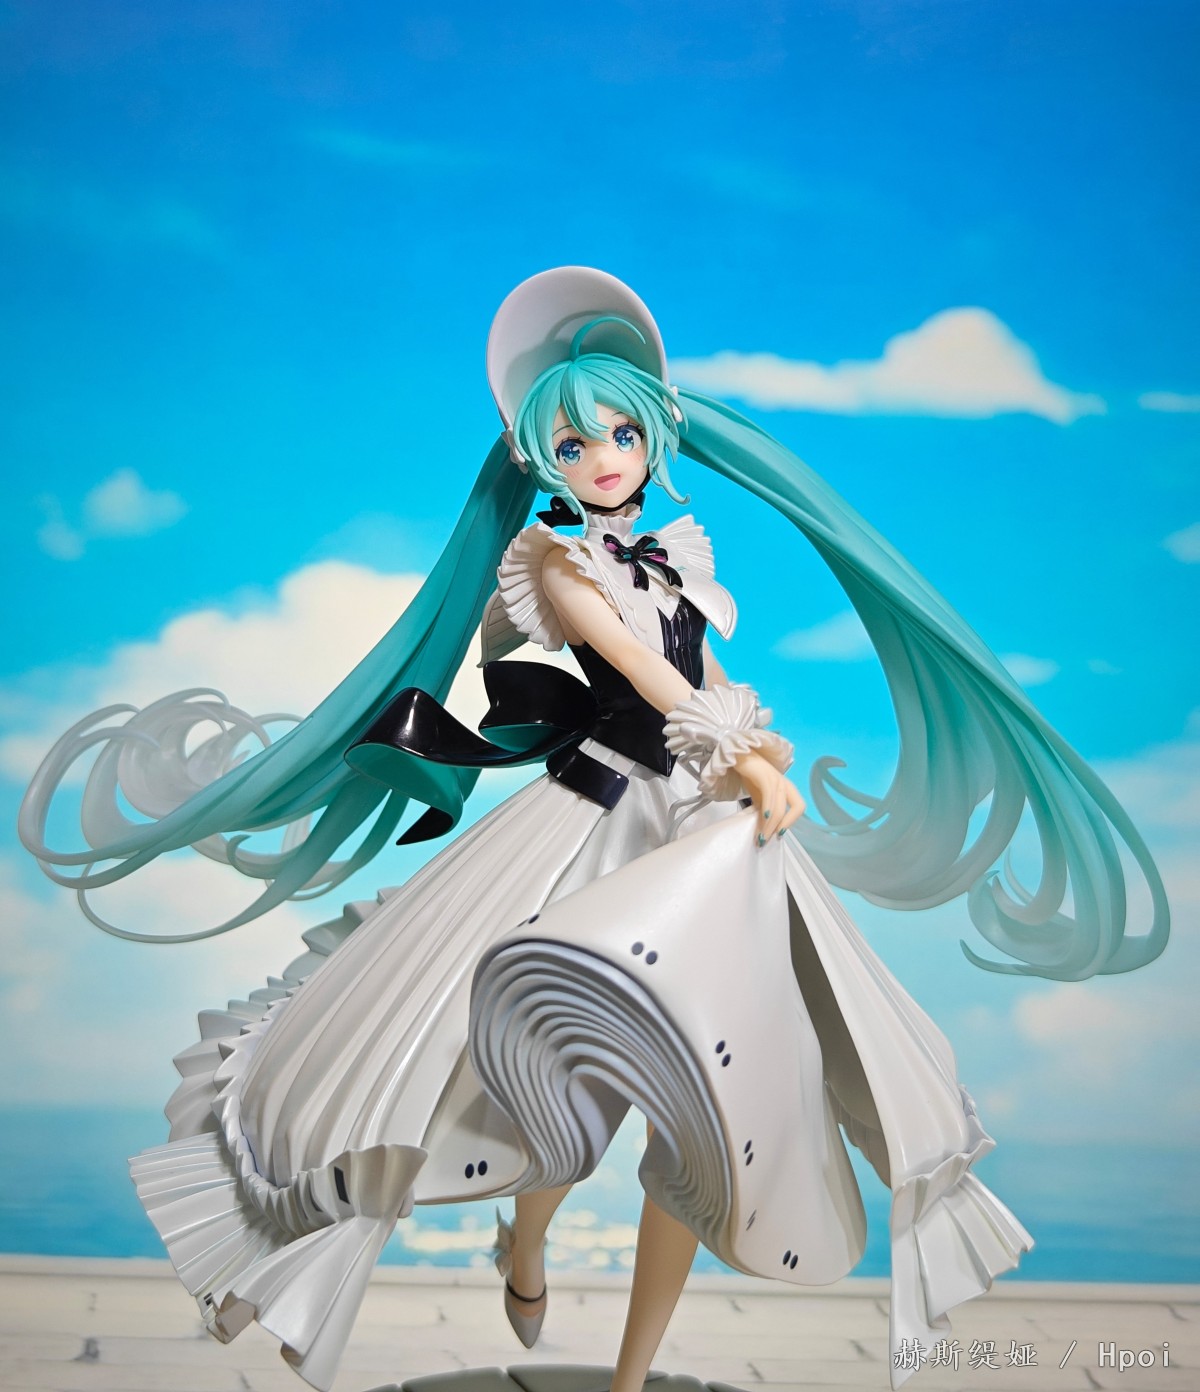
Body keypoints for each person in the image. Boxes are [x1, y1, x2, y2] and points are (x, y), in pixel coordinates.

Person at [21, 268, 1168, 1392]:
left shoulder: (680, 561)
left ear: (654, 436)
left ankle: (630, 1379)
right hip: (602, 818)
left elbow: (699, 672)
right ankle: (525, 1242)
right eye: (575, 444)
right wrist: (738, 750)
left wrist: (746, 749)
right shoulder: (555, 562)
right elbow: (637, 673)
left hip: (703, 835)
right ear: (542, 461)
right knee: (548, 1080)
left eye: (620, 433)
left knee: (708, 1125)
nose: (605, 457)